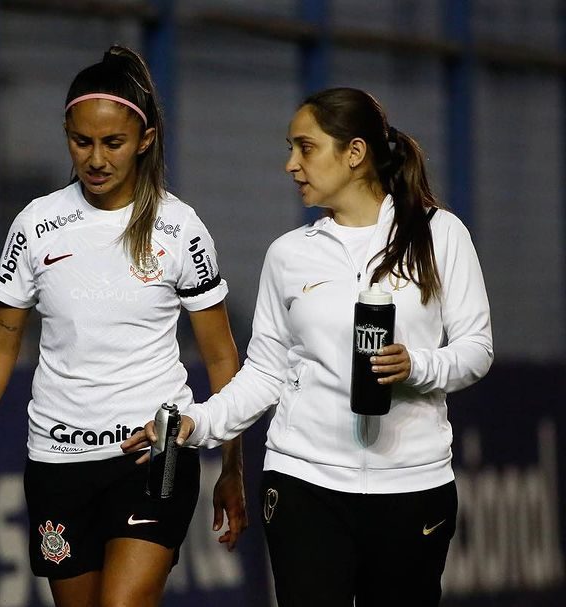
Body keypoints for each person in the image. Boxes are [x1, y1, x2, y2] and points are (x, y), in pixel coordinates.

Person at [122, 87, 494, 606]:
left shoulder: (440, 234)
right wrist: (198, 423)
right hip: (303, 482)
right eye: (290, 149)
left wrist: (418, 365)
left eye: (306, 147)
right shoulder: (288, 255)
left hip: (413, 486)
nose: (291, 164)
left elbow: (476, 349)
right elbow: (265, 371)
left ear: (355, 153)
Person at [0, 46, 248, 607]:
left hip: (153, 457)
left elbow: (222, 356)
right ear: (66, 133)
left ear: (146, 140)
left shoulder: (180, 228)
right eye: (81, 141)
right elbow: (3, 338)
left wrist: (232, 466)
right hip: (58, 462)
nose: (96, 158)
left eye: (113, 143)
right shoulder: (36, 226)